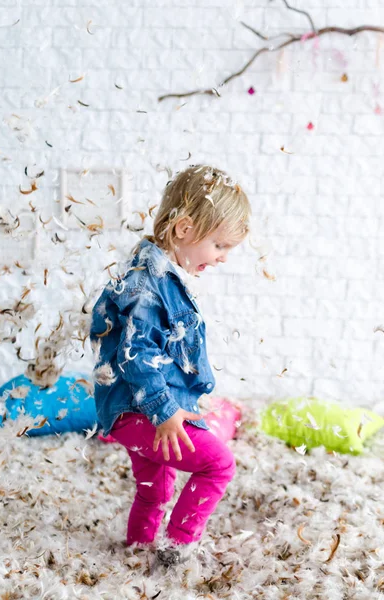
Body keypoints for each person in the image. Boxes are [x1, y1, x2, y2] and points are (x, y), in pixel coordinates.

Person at [89, 164, 251, 567]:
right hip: (142, 410)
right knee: (218, 464)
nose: (222, 258)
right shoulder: (148, 284)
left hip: (138, 409)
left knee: (155, 490)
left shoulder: (162, 275)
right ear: (183, 229)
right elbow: (135, 354)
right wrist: (165, 411)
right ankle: (178, 546)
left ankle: (137, 549)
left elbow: (165, 352)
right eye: (219, 245)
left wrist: (188, 398)